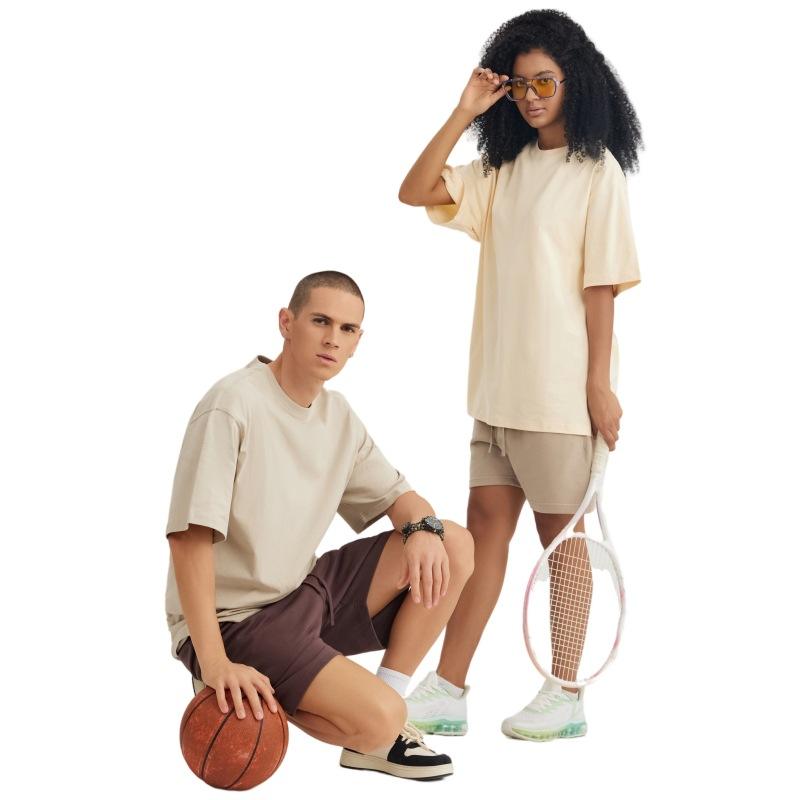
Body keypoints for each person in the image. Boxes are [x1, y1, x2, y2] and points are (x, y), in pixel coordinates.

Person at [398, 9, 642, 741]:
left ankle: (565, 693)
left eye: (546, 82)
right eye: (521, 84)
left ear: (576, 84)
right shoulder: (501, 171)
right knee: (479, 545)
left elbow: (601, 286)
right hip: (496, 397)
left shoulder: (597, 174)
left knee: (561, 546)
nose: (533, 96)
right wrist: (464, 110)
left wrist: (598, 385)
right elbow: (414, 189)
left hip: (558, 399)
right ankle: (449, 689)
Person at [164, 270, 474, 780]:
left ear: (357, 342)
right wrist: (213, 661)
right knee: (381, 718)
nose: (333, 339)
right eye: (320, 321)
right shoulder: (232, 404)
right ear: (286, 323)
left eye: (347, 329)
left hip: (303, 594)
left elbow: (401, 497)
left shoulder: (337, 416)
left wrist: (422, 529)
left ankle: (380, 730)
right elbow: (188, 540)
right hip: (235, 621)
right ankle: (372, 722)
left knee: (452, 542)